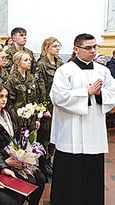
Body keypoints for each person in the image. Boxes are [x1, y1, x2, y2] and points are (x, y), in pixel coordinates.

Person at [49, 33, 115, 205]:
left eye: (94, 47)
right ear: (76, 49)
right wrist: (85, 92)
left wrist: (101, 93)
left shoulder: (103, 71)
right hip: (71, 133)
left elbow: (112, 95)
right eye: (88, 48)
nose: (92, 51)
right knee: (70, 176)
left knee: (92, 177)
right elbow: (58, 97)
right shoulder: (65, 71)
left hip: (94, 132)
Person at [0, 83, 46, 205]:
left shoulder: (10, 113)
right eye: (1, 96)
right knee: (31, 181)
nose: (4, 99)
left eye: (6, 96)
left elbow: (18, 135)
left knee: (41, 179)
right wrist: (5, 162)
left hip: (16, 156)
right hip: (3, 160)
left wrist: (24, 152)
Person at [35, 37, 64, 177]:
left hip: (58, 104)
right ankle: (43, 162)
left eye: (59, 46)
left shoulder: (60, 63)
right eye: (54, 46)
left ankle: (50, 159)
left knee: (55, 133)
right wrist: (44, 107)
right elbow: (40, 88)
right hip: (47, 104)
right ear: (47, 48)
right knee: (45, 135)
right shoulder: (42, 65)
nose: (57, 48)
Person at [7, 51, 39, 130]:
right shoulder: (12, 79)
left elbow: (36, 98)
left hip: (31, 119)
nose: (29, 62)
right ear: (17, 62)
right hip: (18, 119)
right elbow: (9, 102)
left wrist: (37, 118)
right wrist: (14, 119)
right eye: (25, 60)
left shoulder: (31, 78)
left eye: (29, 60)